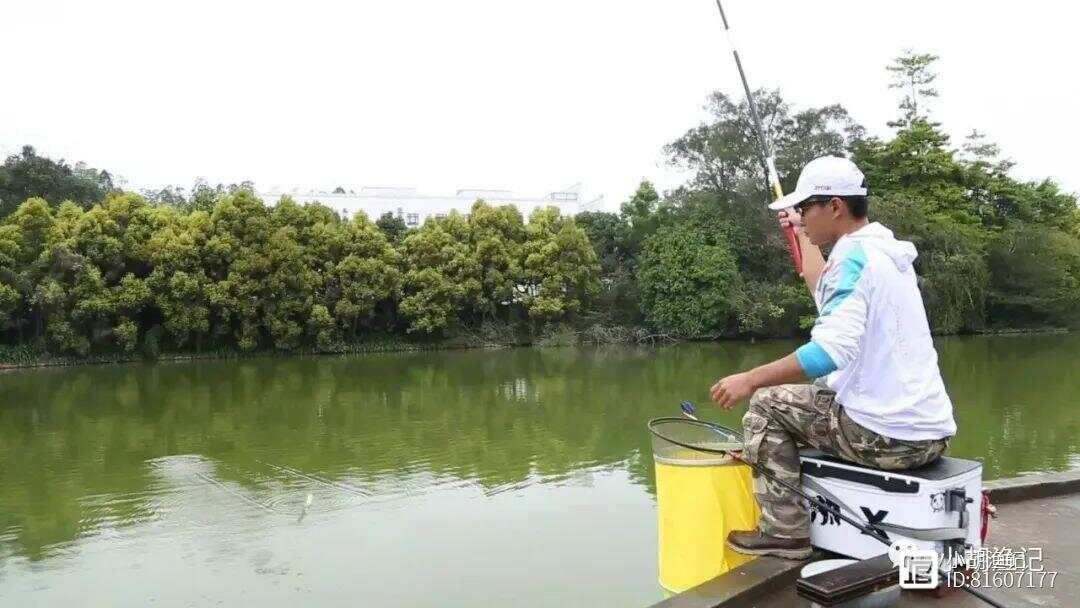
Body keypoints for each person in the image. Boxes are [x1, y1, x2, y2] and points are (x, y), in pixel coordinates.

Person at [712, 155, 956, 560]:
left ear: (835, 206)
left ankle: (786, 532)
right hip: (930, 435)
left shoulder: (853, 258)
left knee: (765, 405)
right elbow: (823, 289)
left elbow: (828, 352)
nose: (801, 216)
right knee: (811, 395)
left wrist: (750, 378)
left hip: (886, 437)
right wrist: (803, 234)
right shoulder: (884, 251)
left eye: (806, 208)